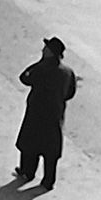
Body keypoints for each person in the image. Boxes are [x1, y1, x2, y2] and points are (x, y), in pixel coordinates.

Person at [14, 36, 76, 191]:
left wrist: (39, 62)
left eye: (45, 49)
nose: (42, 50)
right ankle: (48, 181)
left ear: (50, 53)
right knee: (51, 148)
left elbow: (24, 78)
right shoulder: (68, 72)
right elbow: (70, 93)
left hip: (36, 112)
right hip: (55, 114)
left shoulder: (41, 69)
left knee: (30, 144)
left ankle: (28, 172)